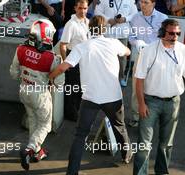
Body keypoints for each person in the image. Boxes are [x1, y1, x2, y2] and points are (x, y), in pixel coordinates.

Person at [49, 15, 132, 175]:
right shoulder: (113, 43)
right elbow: (127, 52)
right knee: (120, 128)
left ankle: (71, 172)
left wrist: (50, 77)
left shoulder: (82, 47)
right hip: (113, 98)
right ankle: (126, 155)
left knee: (80, 136)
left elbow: (63, 67)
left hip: (90, 99)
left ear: (89, 29)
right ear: (105, 29)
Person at [10, 19, 63, 171]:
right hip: (39, 94)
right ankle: (29, 149)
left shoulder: (20, 49)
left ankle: (36, 152)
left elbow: (13, 74)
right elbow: (59, 83)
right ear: (45, 35)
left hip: (24, 90)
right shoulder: (52, 57)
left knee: (33, 120)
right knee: (45, 125)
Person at [133, 19, 185, 175]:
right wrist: (141, 104)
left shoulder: (183, 50)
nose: (175, 36)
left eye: (178, 33)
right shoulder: (148, 51)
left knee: (166, 144)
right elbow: (139, 79)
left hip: (173, 102)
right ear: (162, 33)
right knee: (144, 144)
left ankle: (162, 172)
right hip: (151, 102)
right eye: (171, 33)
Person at [128, 0, 168, 127]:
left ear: (153, 3)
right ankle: (136, 116)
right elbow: (131, 37)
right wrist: (137, 43)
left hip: (157, 57)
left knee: (153, 88)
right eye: (141, 2)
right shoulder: (135, 17)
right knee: (136, 87)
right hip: (141, 56)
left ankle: (151, 117)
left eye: (146, 2)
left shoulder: (163, 18)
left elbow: (166, 38)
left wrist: (151, 46)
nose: (142, 5)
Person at [94, 0, 137, 86]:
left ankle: (121, 77)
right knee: (106, 56)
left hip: (122, 33)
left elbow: (135, 14)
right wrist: (108, 20)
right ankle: (106, 77)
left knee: (122, 58)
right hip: (108, 33)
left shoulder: (130, 1)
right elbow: (97, 12)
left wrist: (125, 19)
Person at [60, 0, 89, 121]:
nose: (83, 11)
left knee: (81, 87)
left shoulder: (87, 22)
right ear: (75, 8)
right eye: (80, 8)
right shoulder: (70, 24)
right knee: (72, 88)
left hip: (84, 59)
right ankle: (70, 114)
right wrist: (67, 62)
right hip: (73, 57)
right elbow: (63, 45)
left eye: (85, 8)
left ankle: (77, 110)